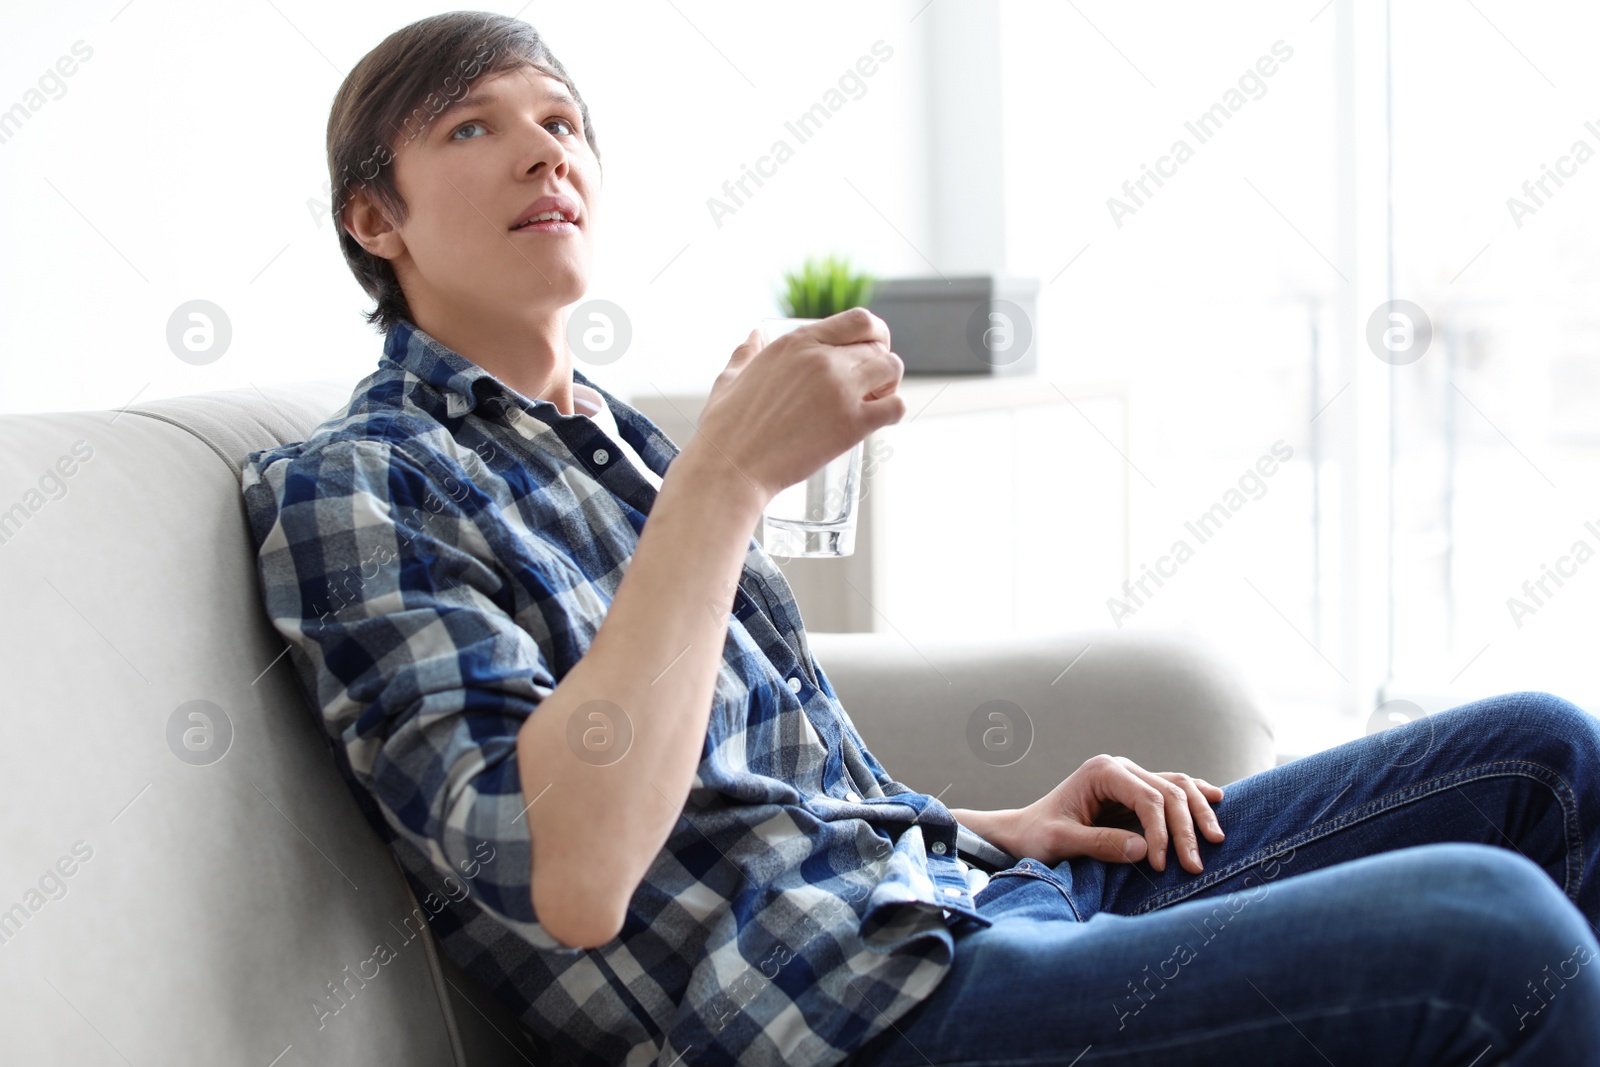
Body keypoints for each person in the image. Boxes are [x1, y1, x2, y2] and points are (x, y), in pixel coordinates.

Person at [240, 11, 1600, 1066]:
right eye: (476, 129)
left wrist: (996, 823)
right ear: (376, 216)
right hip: (840, 1020)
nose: (549, 149)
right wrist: (723, 481)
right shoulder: (356, 490)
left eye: (564, 121)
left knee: (1547, 756)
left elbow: (755, 783)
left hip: (956, 900)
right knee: (1495, 934)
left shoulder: (622, 444)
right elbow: (576, 878)